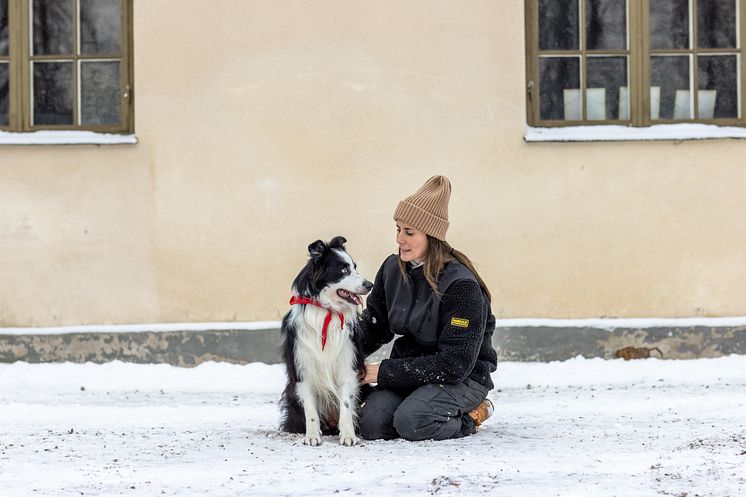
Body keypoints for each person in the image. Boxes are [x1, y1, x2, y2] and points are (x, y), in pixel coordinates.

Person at [357, 175, 497, 441]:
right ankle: (416, 404)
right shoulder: (392, 269)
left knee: (414, 421)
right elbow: (374, 327)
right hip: (411, 367)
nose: (400, 238)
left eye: (409, 232)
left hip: (463, 377)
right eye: (398, 229)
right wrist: (336, 354)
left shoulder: (461, 286)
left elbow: (456, 364)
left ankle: (472, 415)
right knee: (370, 425)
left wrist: (382, 372)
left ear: (431, 236)